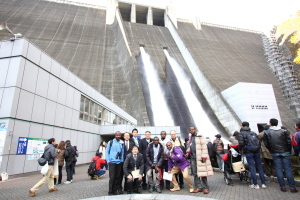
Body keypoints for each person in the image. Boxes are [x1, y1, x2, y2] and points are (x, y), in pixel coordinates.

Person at [264, 118, 298, 193]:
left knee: (278, 169)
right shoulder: (284, 131)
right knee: (288, 169)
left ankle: (283, 187)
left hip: (275, 152)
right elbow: (289, 142)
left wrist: (272, 150)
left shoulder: (267, 132)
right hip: (285, 152)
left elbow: (266, 144)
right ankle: (292, 187)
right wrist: (288, 151)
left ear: (270, 124)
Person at [237, 121, 267, 189]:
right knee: (259, 167)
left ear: (242, 126)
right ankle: (263, 183)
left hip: (248, 151)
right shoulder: (253, 133)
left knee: (252, 167)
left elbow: (241, 144)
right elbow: (259, 141)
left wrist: (240, 149)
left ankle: (255, 184)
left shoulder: (241, 134)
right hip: (256, 151)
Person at [186, 127, 213, 194]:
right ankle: (198, 187)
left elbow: (204, 146)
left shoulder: (200, 136)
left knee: (203, 173)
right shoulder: (191, 137)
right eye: (190, 130)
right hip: (193, 158)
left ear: (195, 130)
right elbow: (190, 146)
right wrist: (188, 152)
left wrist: (204, 156)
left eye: (192, 129)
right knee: (195, 173)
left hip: (200, 158)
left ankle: (205, 188)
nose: (191, 131)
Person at [106, 131, 125, 195]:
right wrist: (108, 160)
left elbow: (122, 152)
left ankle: (115, 190)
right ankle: (110, 191)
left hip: (119, 162)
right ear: (115, 135)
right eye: (117, 135)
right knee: (112, 177)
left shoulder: (122, 142)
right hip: (112, 162)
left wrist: (122, 160)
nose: (118, 136)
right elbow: (107, 152)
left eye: (119, 135)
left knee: (117, 177)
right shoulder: (110, 142)